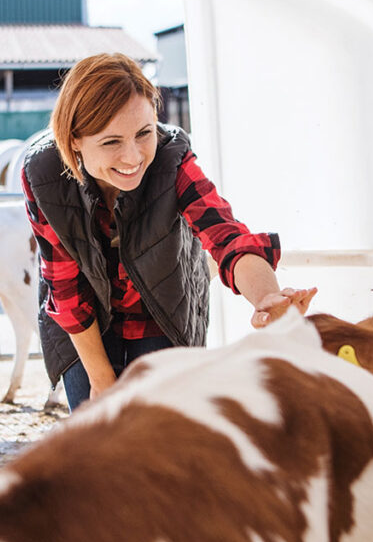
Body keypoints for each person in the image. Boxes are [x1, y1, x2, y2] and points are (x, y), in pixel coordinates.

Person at [22, 52, 317, 411]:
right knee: (100, 435)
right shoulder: (44, 175)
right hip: (87, 324)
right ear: (74, 141)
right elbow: (65, 287)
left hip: (162, 310)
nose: (132, 157)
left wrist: (267, 300)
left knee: (161, 432)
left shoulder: (172, 157)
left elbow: (226, 236)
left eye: (144, 133)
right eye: (111, 142)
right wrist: (102, 382)